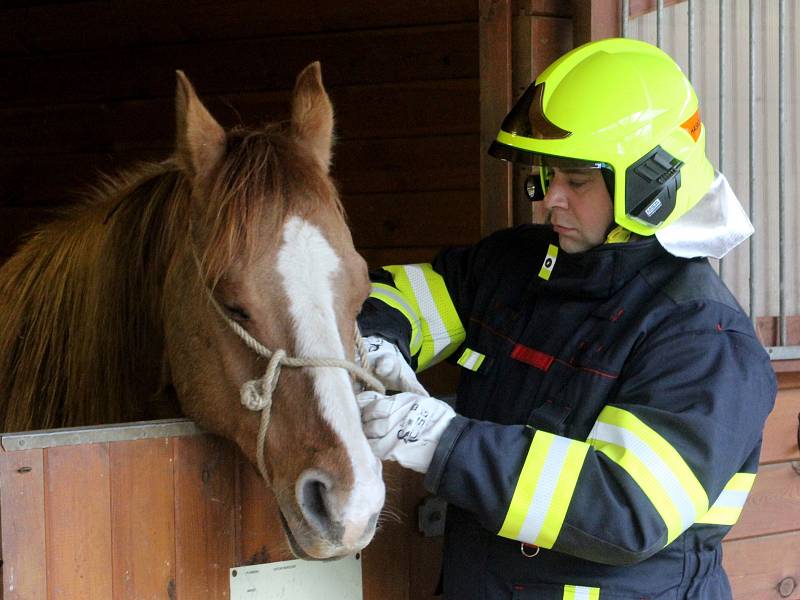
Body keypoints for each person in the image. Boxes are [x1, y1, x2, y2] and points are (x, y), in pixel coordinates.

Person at [355, 38, 776, 600]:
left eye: (576, 181)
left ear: (651, 183)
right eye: (550, 175)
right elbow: (396, 296)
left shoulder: (703, 337)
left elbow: (626, 508)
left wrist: (441, 439)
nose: (550, 199)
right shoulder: (513, 267)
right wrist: (377, 342)